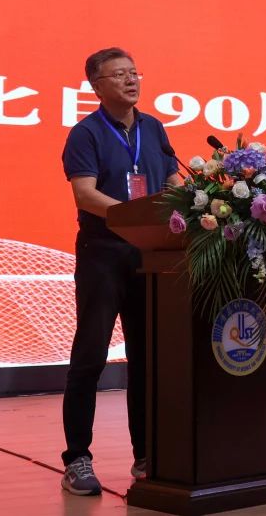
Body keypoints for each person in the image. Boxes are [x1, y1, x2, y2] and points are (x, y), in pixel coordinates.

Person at [59, 47, 180, 496]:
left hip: (148, 257)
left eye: (134, 73)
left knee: (146, 360)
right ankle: (77, 458)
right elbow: (85, 194)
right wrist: (134, 217)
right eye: (119, 75)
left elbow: (171, 180)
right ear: (97, 85)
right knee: (89, 357)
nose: (131, 81)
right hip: (103, 255)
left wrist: (184, 204)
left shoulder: (154, 128)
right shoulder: (86, 133)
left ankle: (145, 455)